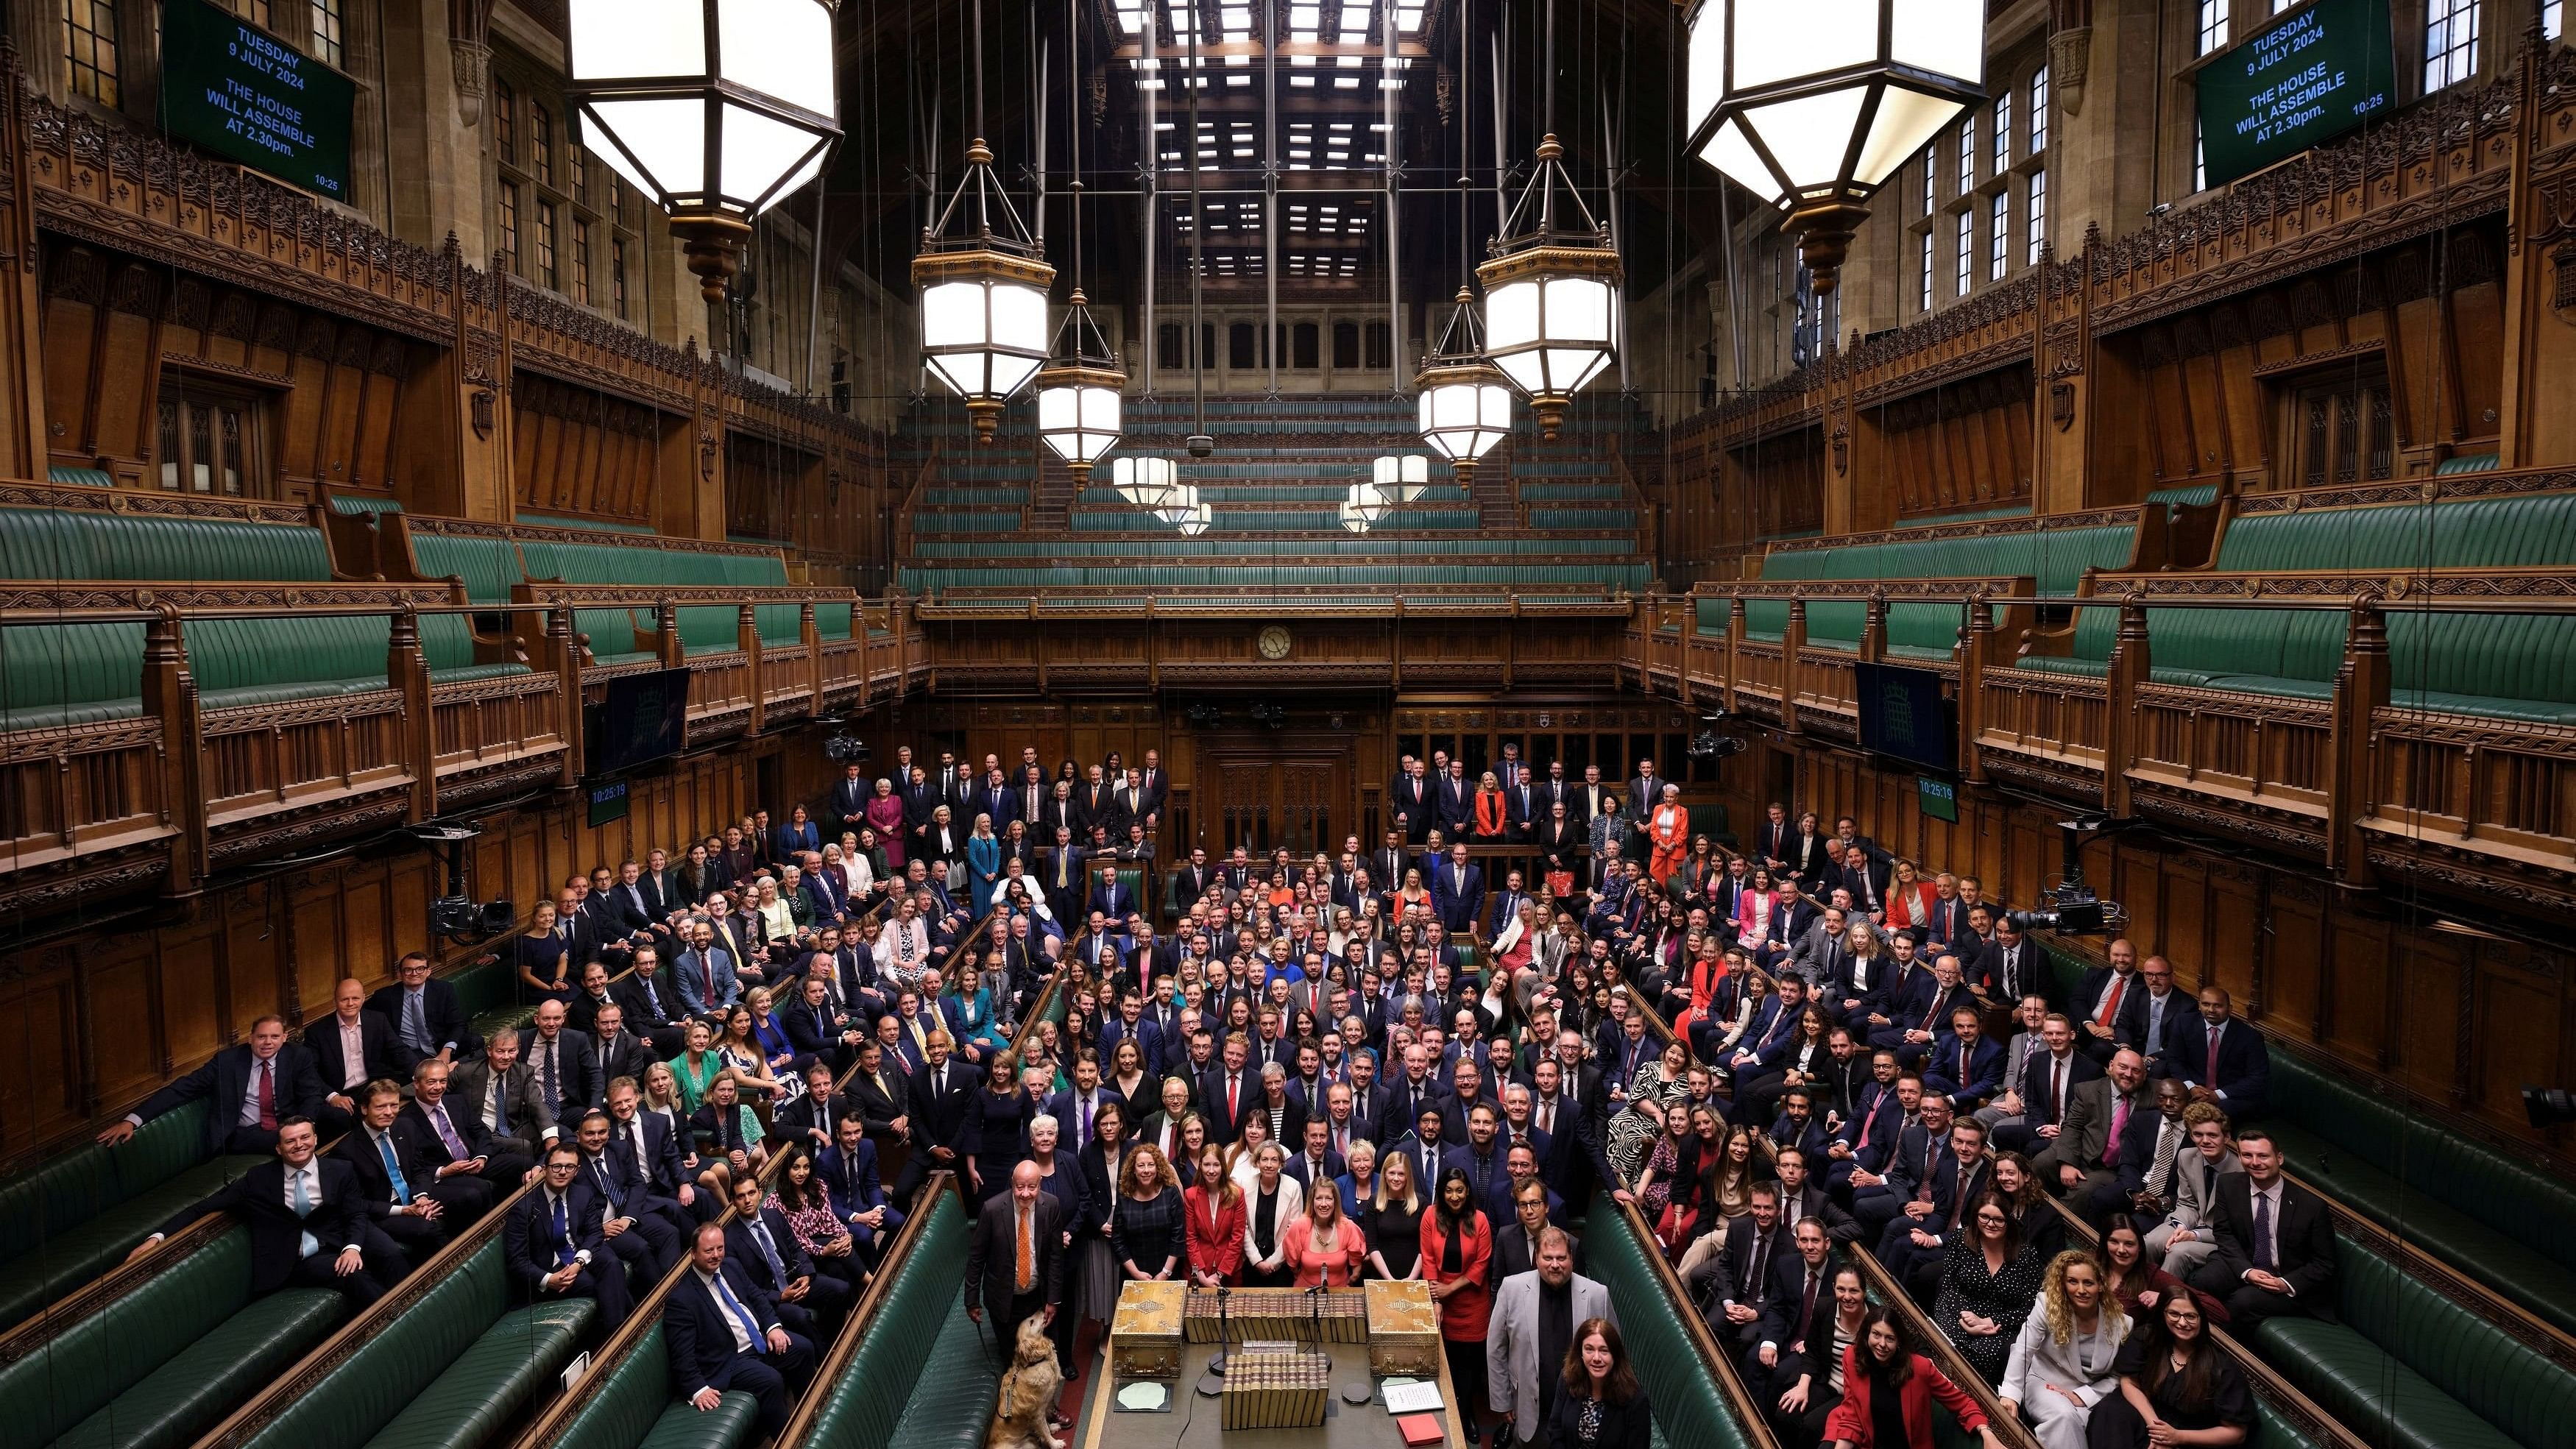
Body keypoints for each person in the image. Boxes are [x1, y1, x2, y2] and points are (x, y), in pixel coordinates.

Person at [128, 1116, 403, 1308]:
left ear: (316, 1139)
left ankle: (412, 1302)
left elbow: (355, 1213)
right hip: (298, 1257)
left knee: (389, 1252)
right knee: (353, 1274)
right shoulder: (259, 1179)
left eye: (305, 1137)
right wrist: (158, 1237)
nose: (299, 1145)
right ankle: (395, 1322)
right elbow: (204, 1206)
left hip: (339, 1235)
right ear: (278, 1148)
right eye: (290, 1141)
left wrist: (352, 1247)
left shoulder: (339, 1170)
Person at [665, 1222, 816, 1440]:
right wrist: (697, 1389)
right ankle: (790, 1441)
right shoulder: (682, 1300)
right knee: (771, 1380)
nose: (716, 1255)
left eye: (720, 1248)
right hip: (730, 1359)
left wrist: (773, 1327)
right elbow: (681, 1355)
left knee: (803, 1349)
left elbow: (757, 1298)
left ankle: (810, 1420)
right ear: (693, 1254)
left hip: (761, 1341)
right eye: (709, 1251)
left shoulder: (731, 1266)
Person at [99, 1013, 335, 1153]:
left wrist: (305, 1125)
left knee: (340, 1118)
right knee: (291, 1143)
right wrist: (132, 1120)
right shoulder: (227, 1061)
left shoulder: (297, 1055)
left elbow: (311, 1094)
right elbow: (182, 1089)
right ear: (250, 1038)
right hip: (243, 1134)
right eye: (261, 1037)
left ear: (284, 1038)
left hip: (287, 1123)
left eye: (274, 1037)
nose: (267, 1043)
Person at [2182, 1127, 2335, 1329]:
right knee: (2202, 1281)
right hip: (2246, 1263)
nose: (2255, 1162)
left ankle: (2217, 1351)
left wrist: (2285, 1284)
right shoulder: (2229, 1185)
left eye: (2263, 1155)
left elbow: (2324, 1263)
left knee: (2241, 1302)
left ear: (2279, 1158)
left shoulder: (2312, 1206)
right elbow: (2224, 1233)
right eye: (2247, 1155)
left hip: (2285, 1280)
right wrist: (2247, 1271)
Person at [1486, 1227, 1614, 1449]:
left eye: (1561, 1258)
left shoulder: (1597, 1294)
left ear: (1571, 1259)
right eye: (1548, 1258)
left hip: (1579, 1412)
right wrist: (1501, 1400)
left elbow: (1614, 1352)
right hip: (1529, 1408)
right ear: (1537, 1259)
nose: (1555, 1264)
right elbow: (1496, 1348)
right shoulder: (1512, 1288)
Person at [2083, 1295, 2251, 1449]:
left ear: (2202, 1319)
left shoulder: (2223, 1368)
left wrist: (2177, 1437)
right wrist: (2158, 1431)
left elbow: (2237, 1434)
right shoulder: (2148, 1338)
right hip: (2148, 1416)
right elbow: (2129, 1382)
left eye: (2190, 1316)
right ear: (2163, 1315)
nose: (2182, 1322)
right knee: (2110, 1410)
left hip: (2190, 1435)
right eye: (2174, 1314)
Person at [1998, 1251, 2129, 1449]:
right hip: (2044, 1382)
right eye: (2073, 1282)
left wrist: (2085, 1396)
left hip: (2089, 1393)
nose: (2081, 1289)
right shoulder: (2047, 1304)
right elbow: (2024, 1348)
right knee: (2064, 1417)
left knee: (2100, 1428)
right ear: (2063, 1284)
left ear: (2101, 1285)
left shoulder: (2123, 1323)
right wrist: (2010, 1393)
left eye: (2088, 1283)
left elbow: (2118, 1376)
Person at [1825, 1305, 2001, 1449]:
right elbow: (1852, 1413)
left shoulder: (1921, 1369)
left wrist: (1986, 1432)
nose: (1882, 1345)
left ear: (1899, 1342)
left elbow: (1963, 1403)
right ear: (1867, 1334)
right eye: (1876, 1335)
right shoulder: (1852, 1357)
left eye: (1890, 1338)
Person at [505, 1142, 634, 1331]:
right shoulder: (523, 1209)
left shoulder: (582, 1193)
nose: (562, 1172)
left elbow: (594, 1232)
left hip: (578, 1252)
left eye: (569, 1167)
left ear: (577, 1171)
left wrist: (578, 1262)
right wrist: (550, 1279)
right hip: (551, 1268)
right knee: (604, 1285)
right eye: (556, 1166)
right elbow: (517, 1261)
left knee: (613, 1265)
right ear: (545, 1170)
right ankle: (622, 1336)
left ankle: (619, 1336)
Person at [1931, 1189, 2045, 1384]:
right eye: (1984, 1217)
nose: (1990, 1224)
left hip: (2001, 1323)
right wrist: (1965, 1317)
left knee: (1984, 1351)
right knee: (1947, 1338)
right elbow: (1949, 1285)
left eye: (1998, 1219)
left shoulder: (2028, 1255)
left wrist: (1990, 1321)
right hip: (1958, 1309)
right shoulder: (1960, 1239)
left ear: (2009, 1221)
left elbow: (2031, 1308)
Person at [965, 1161, 1068, 1358]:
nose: (1025, 1193)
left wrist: (1053, 1300)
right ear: (1012, 1184)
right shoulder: (992, 1210)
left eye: (1032, 1187)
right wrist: (972, 1301)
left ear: (1040, 1185)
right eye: (1020, 1187)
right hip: (1004, 1299)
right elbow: (976, 1258)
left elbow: (1056, 1256)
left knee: (1040, 1356)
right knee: (1010, 1357)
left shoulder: (1051, 1206)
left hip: (1038, 1297)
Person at [1761, 1263, 1869, 1449]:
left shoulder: (1875, 1319)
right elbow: (1812, 1352)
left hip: (1853, 1395)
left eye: (1854, 1291)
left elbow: (1913, 1343)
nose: (1847, 1297)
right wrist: (1802, 1387)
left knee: (1812, 1427)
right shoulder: (1824, 1307)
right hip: (1826, 1381)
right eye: (1841, 1289)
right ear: (1834, 1288)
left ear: (1864, 1292)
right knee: (1786, 1412)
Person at [1424, 1166, 1496, 1424]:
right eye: (1449, 1191)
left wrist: (1449, 1289)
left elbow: (1481, 1264)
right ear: (1442, 1193)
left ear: (1467, 1192)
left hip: (1472, 1301)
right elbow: (1429, 1259)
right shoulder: (1431, 1216)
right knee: (1446, 1363)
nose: (1454, 1197)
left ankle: (1466, 1417)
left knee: (1468, 1367)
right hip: (1440, 1299)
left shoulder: (1480, 1220)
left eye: (1460, 1191)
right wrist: (1437, 1299)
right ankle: (1445, 1417)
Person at [1545, 1317, 1654, 1449]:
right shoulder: (1567, 1379)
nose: (1596, 1358)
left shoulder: (1636, 1401)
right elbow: (1555, 1429)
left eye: (1604, 1350)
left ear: (1615, 1355)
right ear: (1581, 1353)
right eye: (1589, 1349)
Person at [1111, 1143, 1186, 1284]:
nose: (1146, 1170)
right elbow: (1118, 1240)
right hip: (1133, 1275)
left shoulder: (1171, 1193)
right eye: (1141, 1166)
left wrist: (1165, 1273)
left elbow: (1178, 1237)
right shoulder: (1125, 1196)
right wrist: (1136, 1274)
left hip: (1168, 1273)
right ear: (1133, 1169)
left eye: (1151, 1165)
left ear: (1158, 1168)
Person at [1239, 1141, 1305, 1286]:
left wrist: (1272, 1262)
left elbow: (1293, 1231)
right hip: (1252, 1263)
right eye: (1264, 1159)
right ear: (1257, 1162)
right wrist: (1257, 1261)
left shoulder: (1293, 1187)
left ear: (1281, 1163)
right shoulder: (1245, 1185)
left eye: (1274, 1160)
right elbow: (1243, 1228)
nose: (1269, 1165)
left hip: (1281, 1264)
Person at [1282, 1175, 1366, 1288]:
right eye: (1319, 1198)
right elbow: (1293, 1265)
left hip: (1340, 1294)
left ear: (1335, 1201)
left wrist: (1349, 1283)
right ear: (1312, 1201)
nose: (1323, 1204)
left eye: (1329, 1198)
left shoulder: (1348, 1227)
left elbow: (1357, 1267)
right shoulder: (1299, 1226)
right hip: (1305, 1293)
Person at [1185, 1142, 1245, 1286]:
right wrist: (1201, 1276)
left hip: (1228, 1272)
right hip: (1199, 1272)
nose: (1211, 1170)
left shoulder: (1237, 1194)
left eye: (1216, 1165)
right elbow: (1191, 1238)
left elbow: (1237, 1239)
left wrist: (1219, 1275)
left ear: (1222, 1166)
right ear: (1200, 1166)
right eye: (1207, 1165)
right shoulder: (1191, 1195)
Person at [1367, 1149, 1427, 1280]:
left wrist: (1411, 1278)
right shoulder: (1374, 1202)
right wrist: (1390, 1279)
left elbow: (1426, 1247)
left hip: (1414, 1278)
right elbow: (1372, 1246)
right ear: (1385, 1175)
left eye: (1401, 1174)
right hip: (1382, 1278)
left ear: (1407, 1177)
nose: (1396, 1178)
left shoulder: (1421, 1203)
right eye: (1392, 1173)